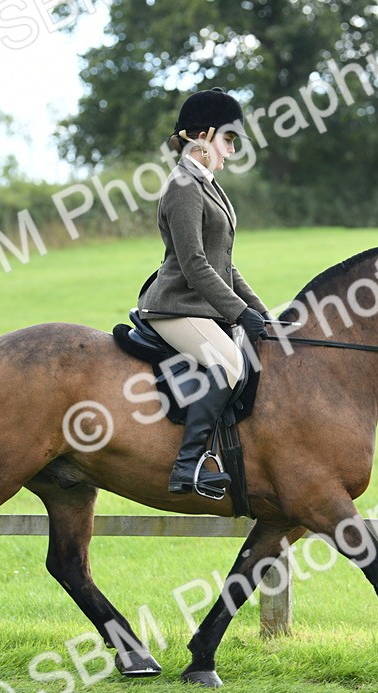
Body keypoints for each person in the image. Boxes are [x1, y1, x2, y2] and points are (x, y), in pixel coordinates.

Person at [137, 87, 270, 498]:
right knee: (228, 363)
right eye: (228, 140)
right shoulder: (183, 187)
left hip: (200, 306)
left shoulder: (207, 185)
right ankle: (187, 466)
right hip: (175, 306)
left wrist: (260, 313)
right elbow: (195, 265)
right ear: (205, 135)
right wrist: (236, 311)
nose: (230, 151)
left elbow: (225, 264)